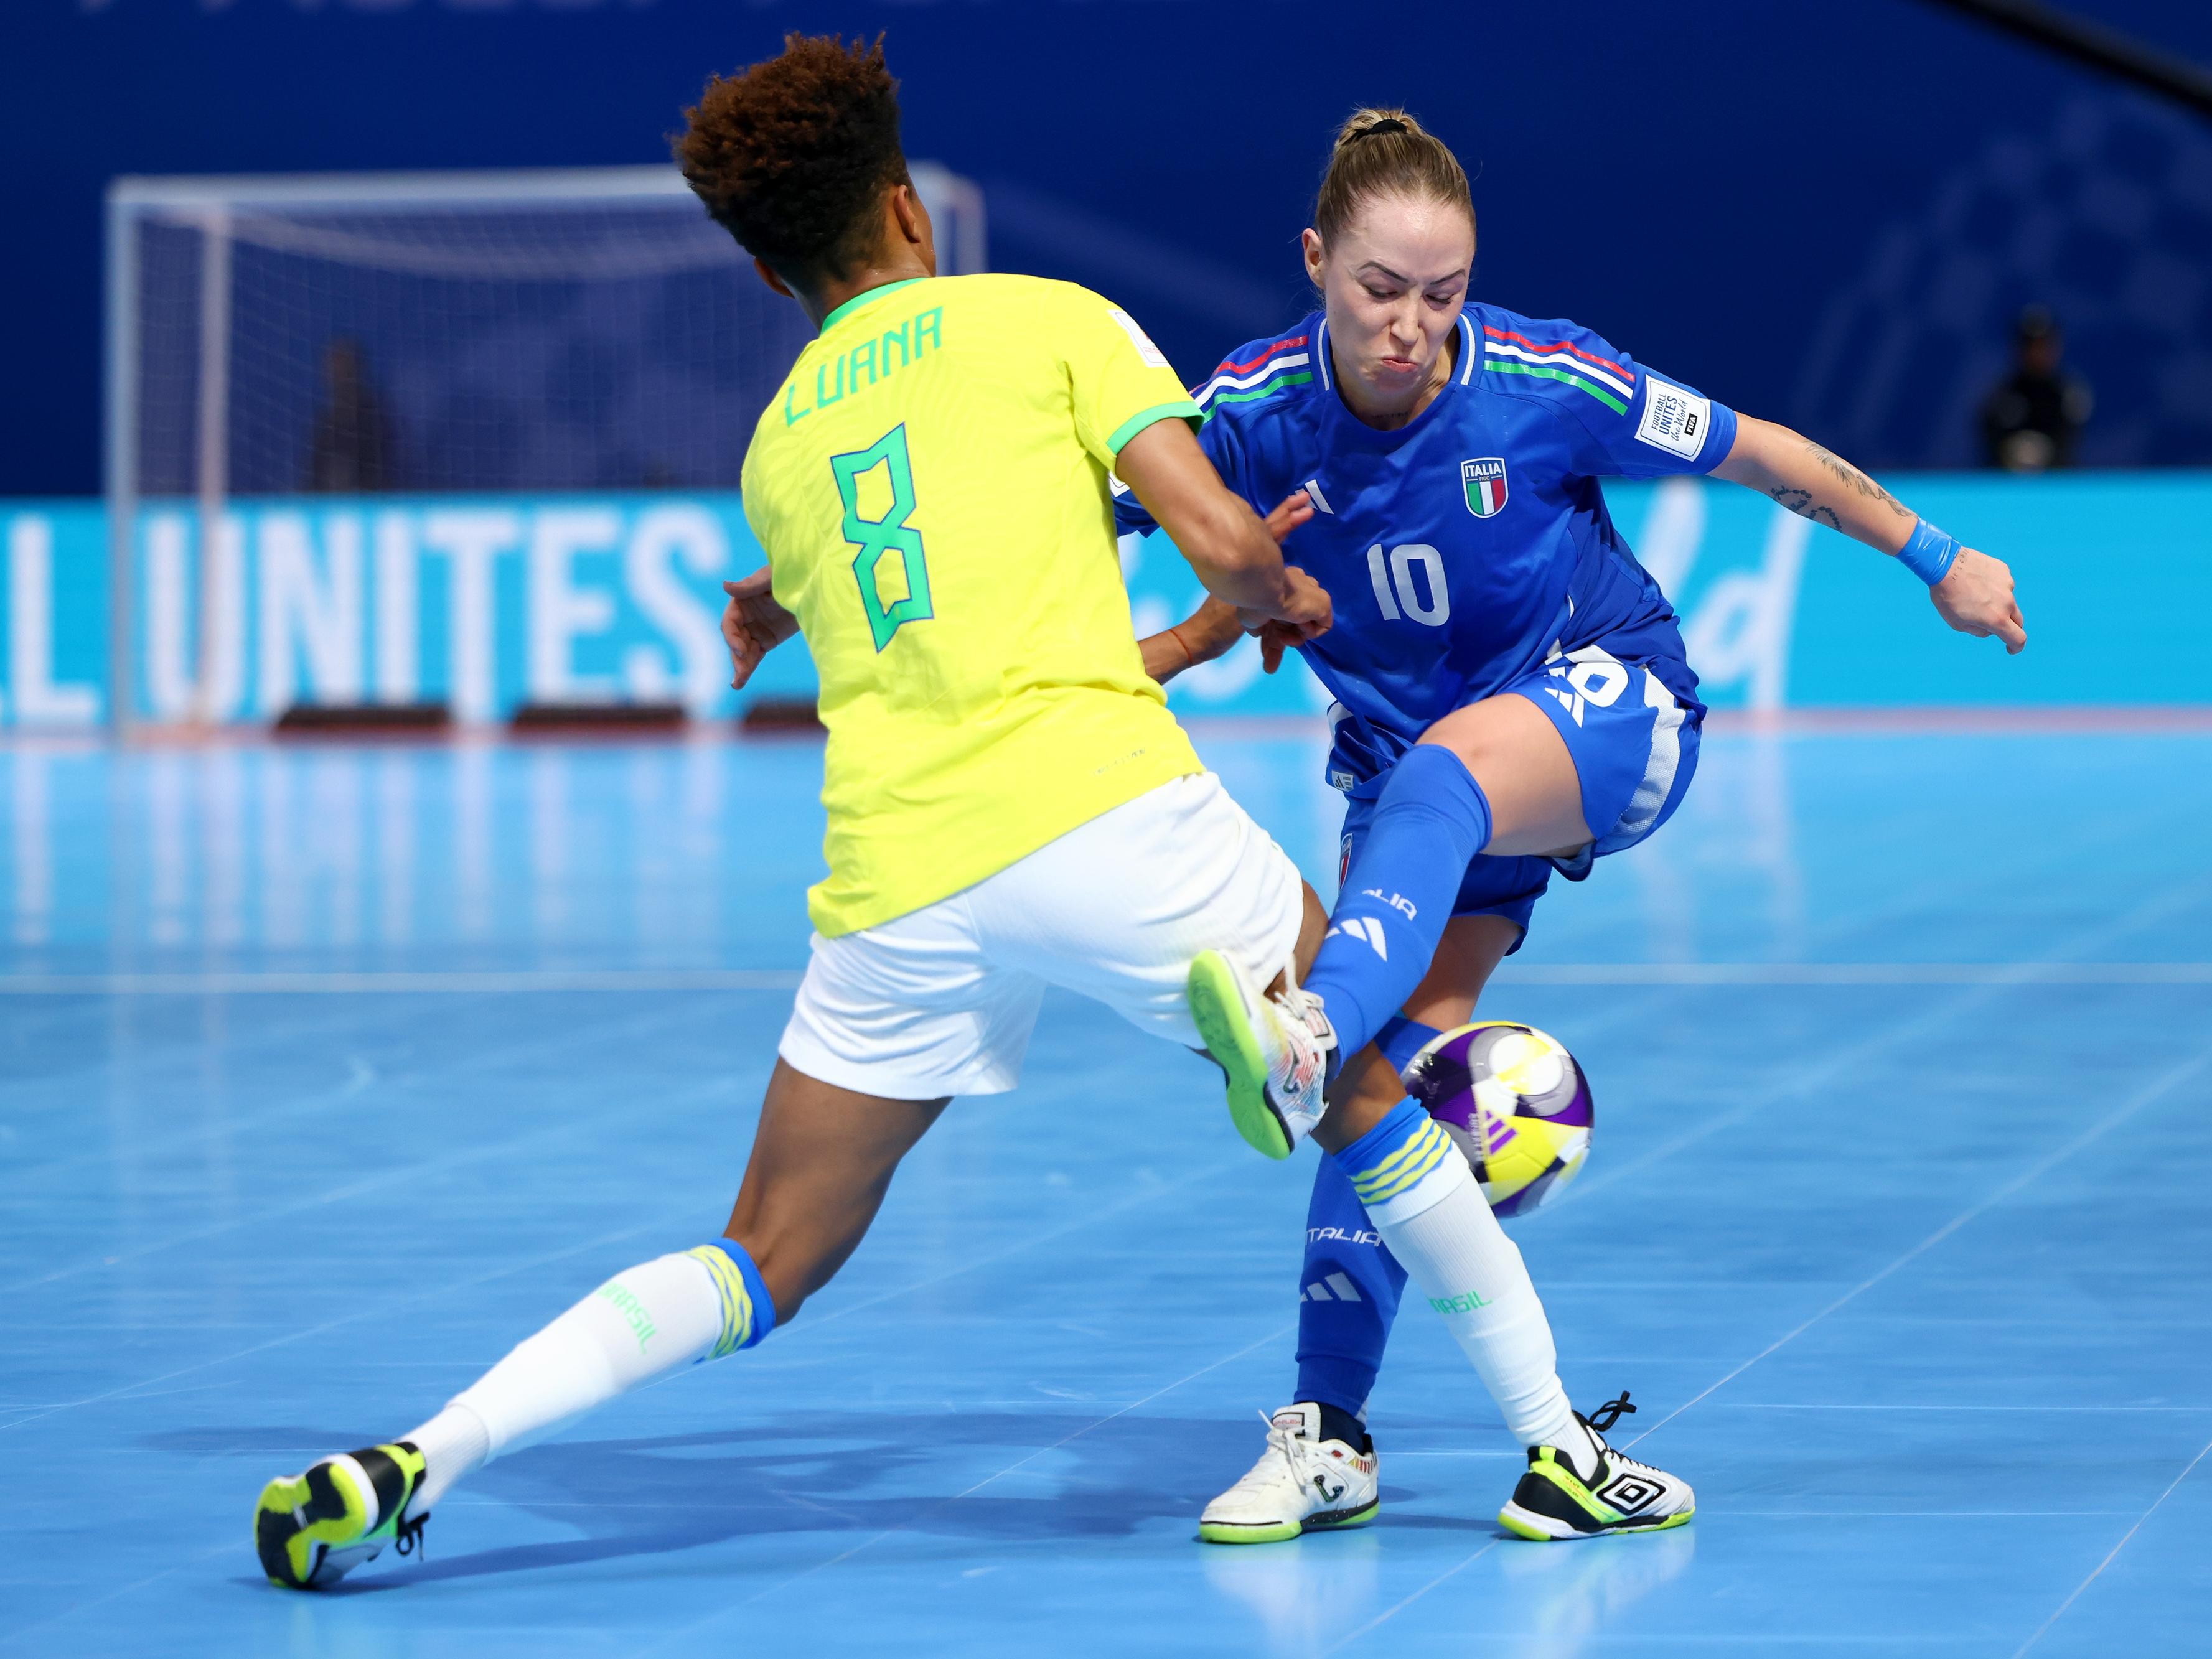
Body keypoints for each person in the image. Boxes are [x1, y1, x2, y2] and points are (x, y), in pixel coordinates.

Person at [250, 32, 1358, 1591]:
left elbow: (935, 608)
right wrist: (1266, 591)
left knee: (762, 1249)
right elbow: (1218, 542)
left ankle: (422, 1455)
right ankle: (1502, 1397)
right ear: (907, 206)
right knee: (1380, 1047)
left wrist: (787, 600)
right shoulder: (1051, 317)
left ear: (772, 274)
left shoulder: (778, 449)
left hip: (900, 885)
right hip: (1100, 811)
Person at [1123, 108, 2026, 1545]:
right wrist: (808, 592)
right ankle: (1335, 1434)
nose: (1412, 326)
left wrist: (1936, 555)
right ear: (1312, 262)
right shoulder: (1243, 410)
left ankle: (1301, 1032)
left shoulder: (1544, 378)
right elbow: (1065, 518)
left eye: (1442, 293)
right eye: (1378, 289)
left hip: (1606, 705)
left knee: (1409, 845)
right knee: (1382, 1086)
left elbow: (1756, 451)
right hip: (1415, 775)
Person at [1980, 305, 2092, 472]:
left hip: (2056, 481)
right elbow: (1990, 439)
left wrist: (2044, 454)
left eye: (2043, 345)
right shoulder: (2002, 396)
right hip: (2010, 482)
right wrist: (2013, 452)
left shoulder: (2068, 396)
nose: (2036, 353)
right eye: (2030, 345)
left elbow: (2069, 443)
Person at [306, 337, 396, 492]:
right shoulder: (326, 422)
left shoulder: (372, 419)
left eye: (341, 366)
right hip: (327, 500)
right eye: (331, 366)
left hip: (367, 499)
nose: (334, 373)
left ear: (355, 369)